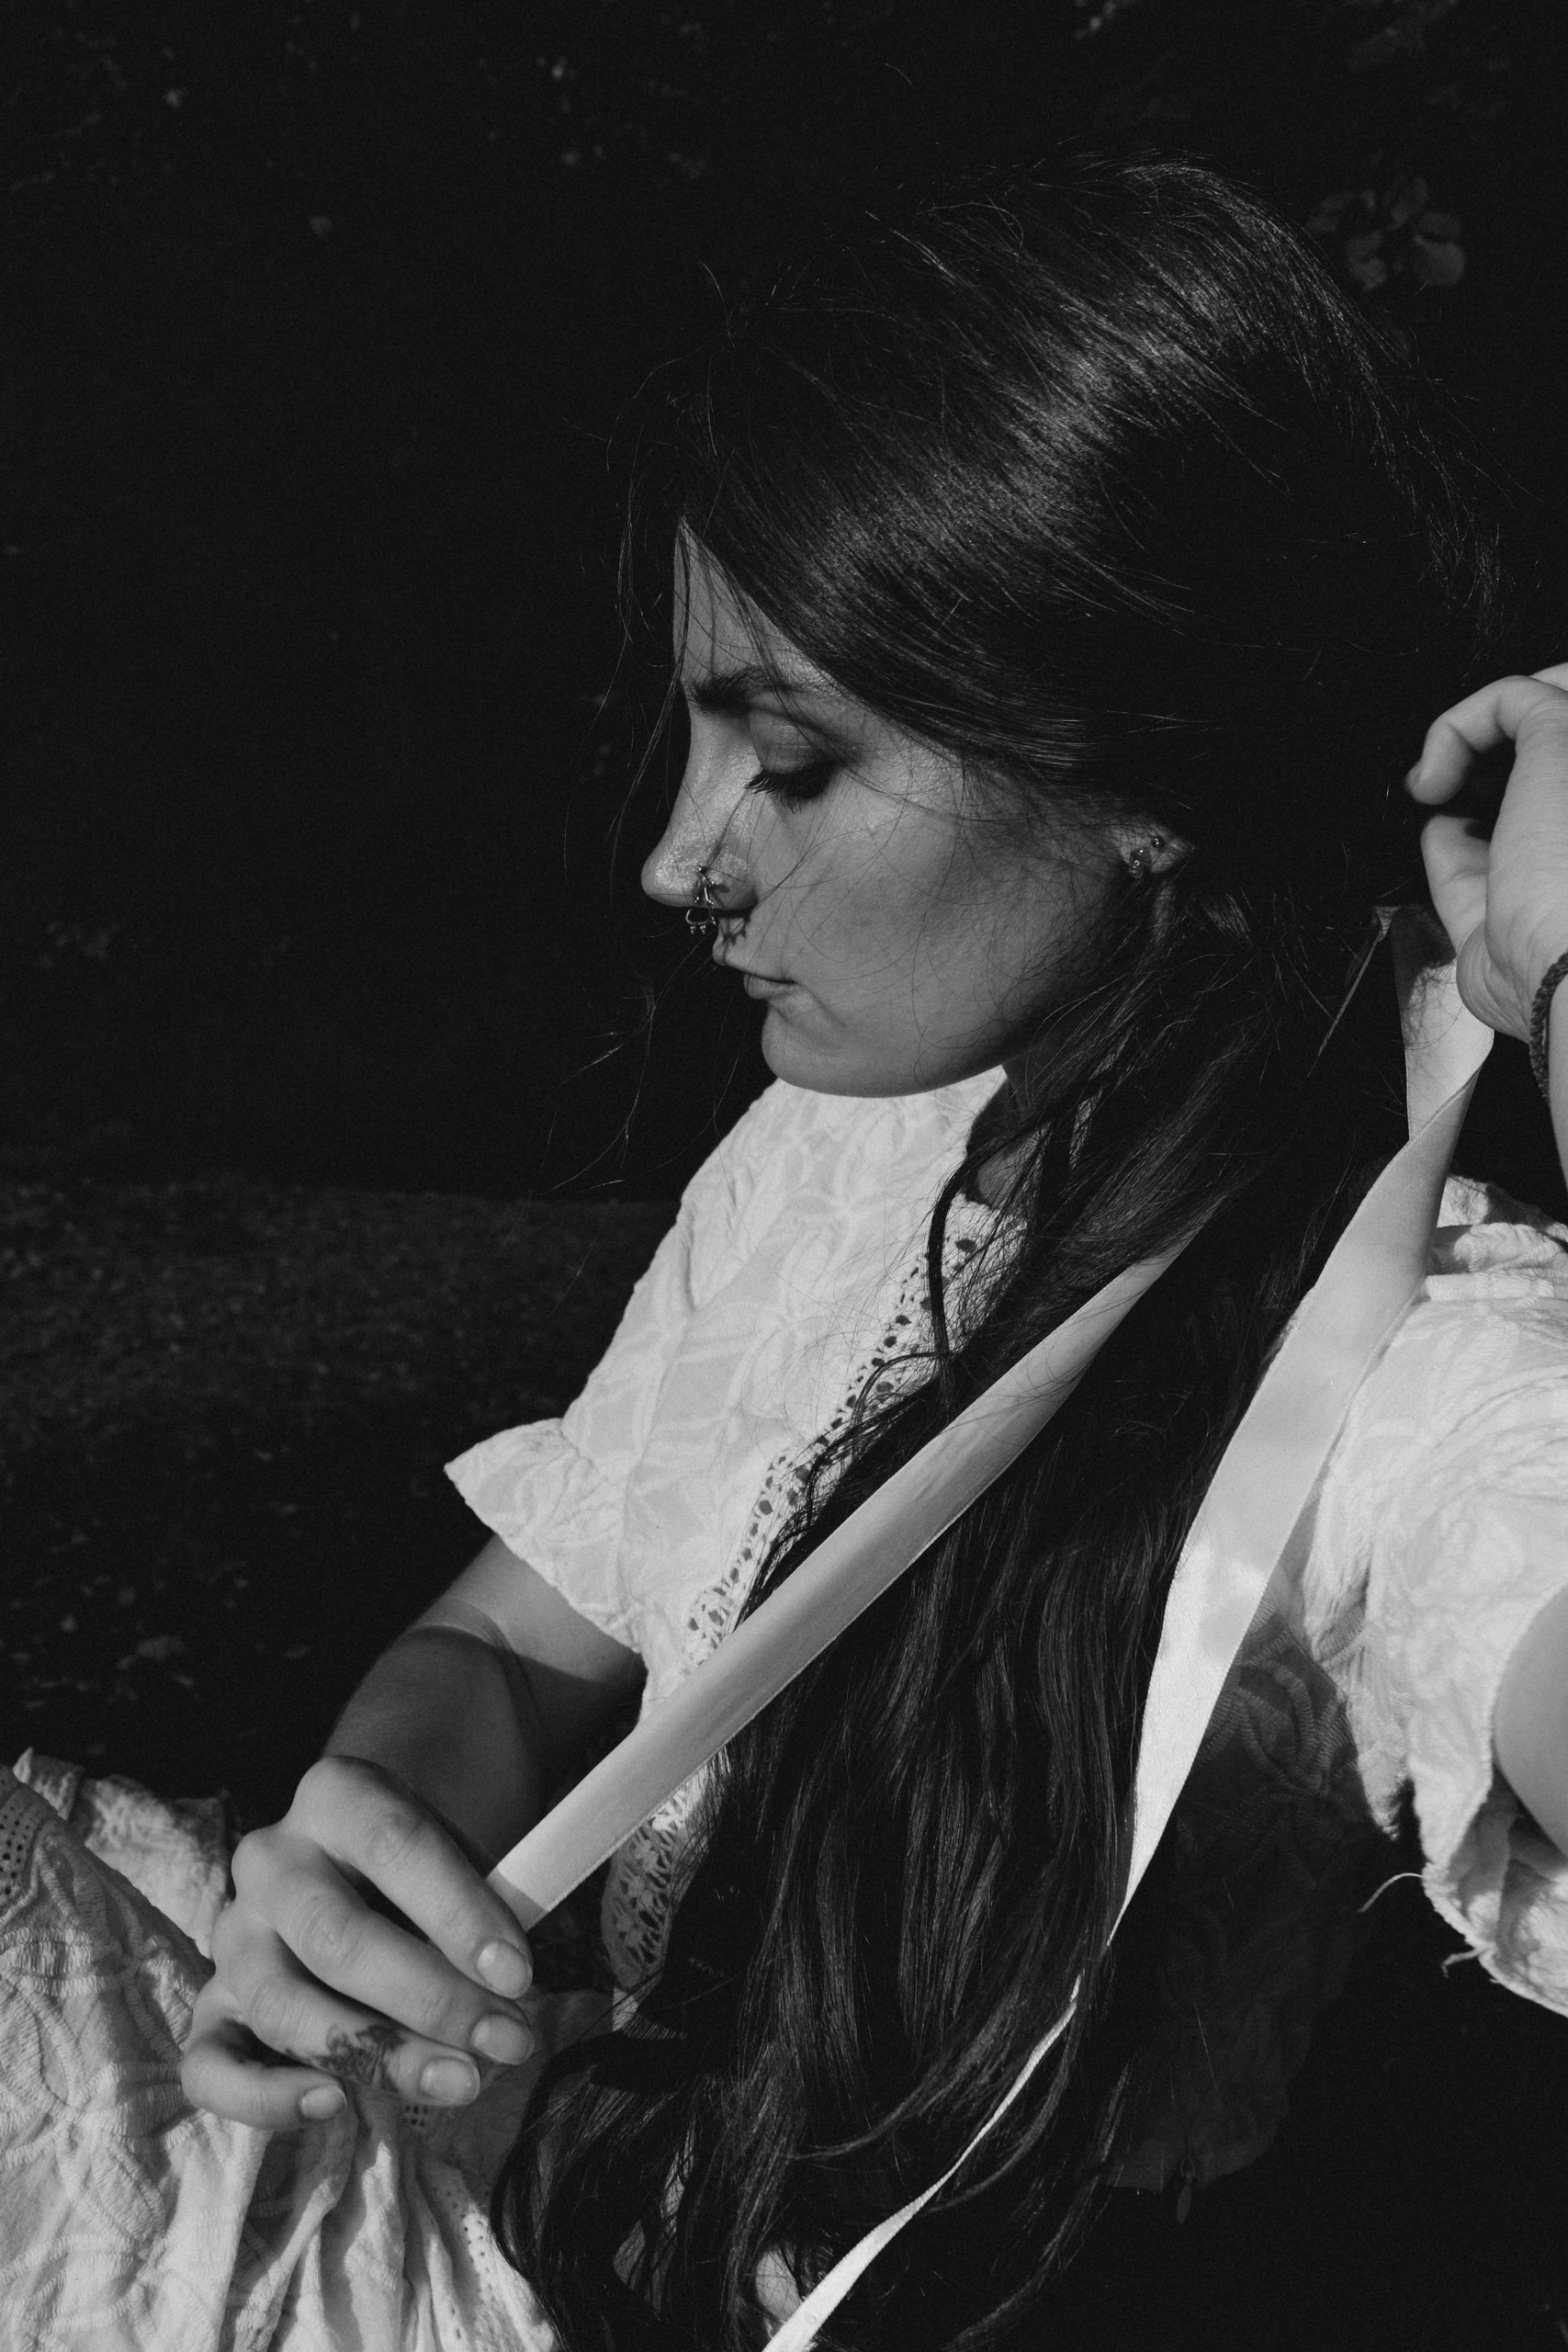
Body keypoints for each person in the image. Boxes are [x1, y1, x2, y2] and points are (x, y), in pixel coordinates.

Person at [5, 153, 1568, 2350]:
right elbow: (519, 1635)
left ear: (1146, 777)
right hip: (518, 2179)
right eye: (693, 726)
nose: (676, 854)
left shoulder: (1409, 1359)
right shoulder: (844, 1141)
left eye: (794, 761)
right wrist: (384, 1827)